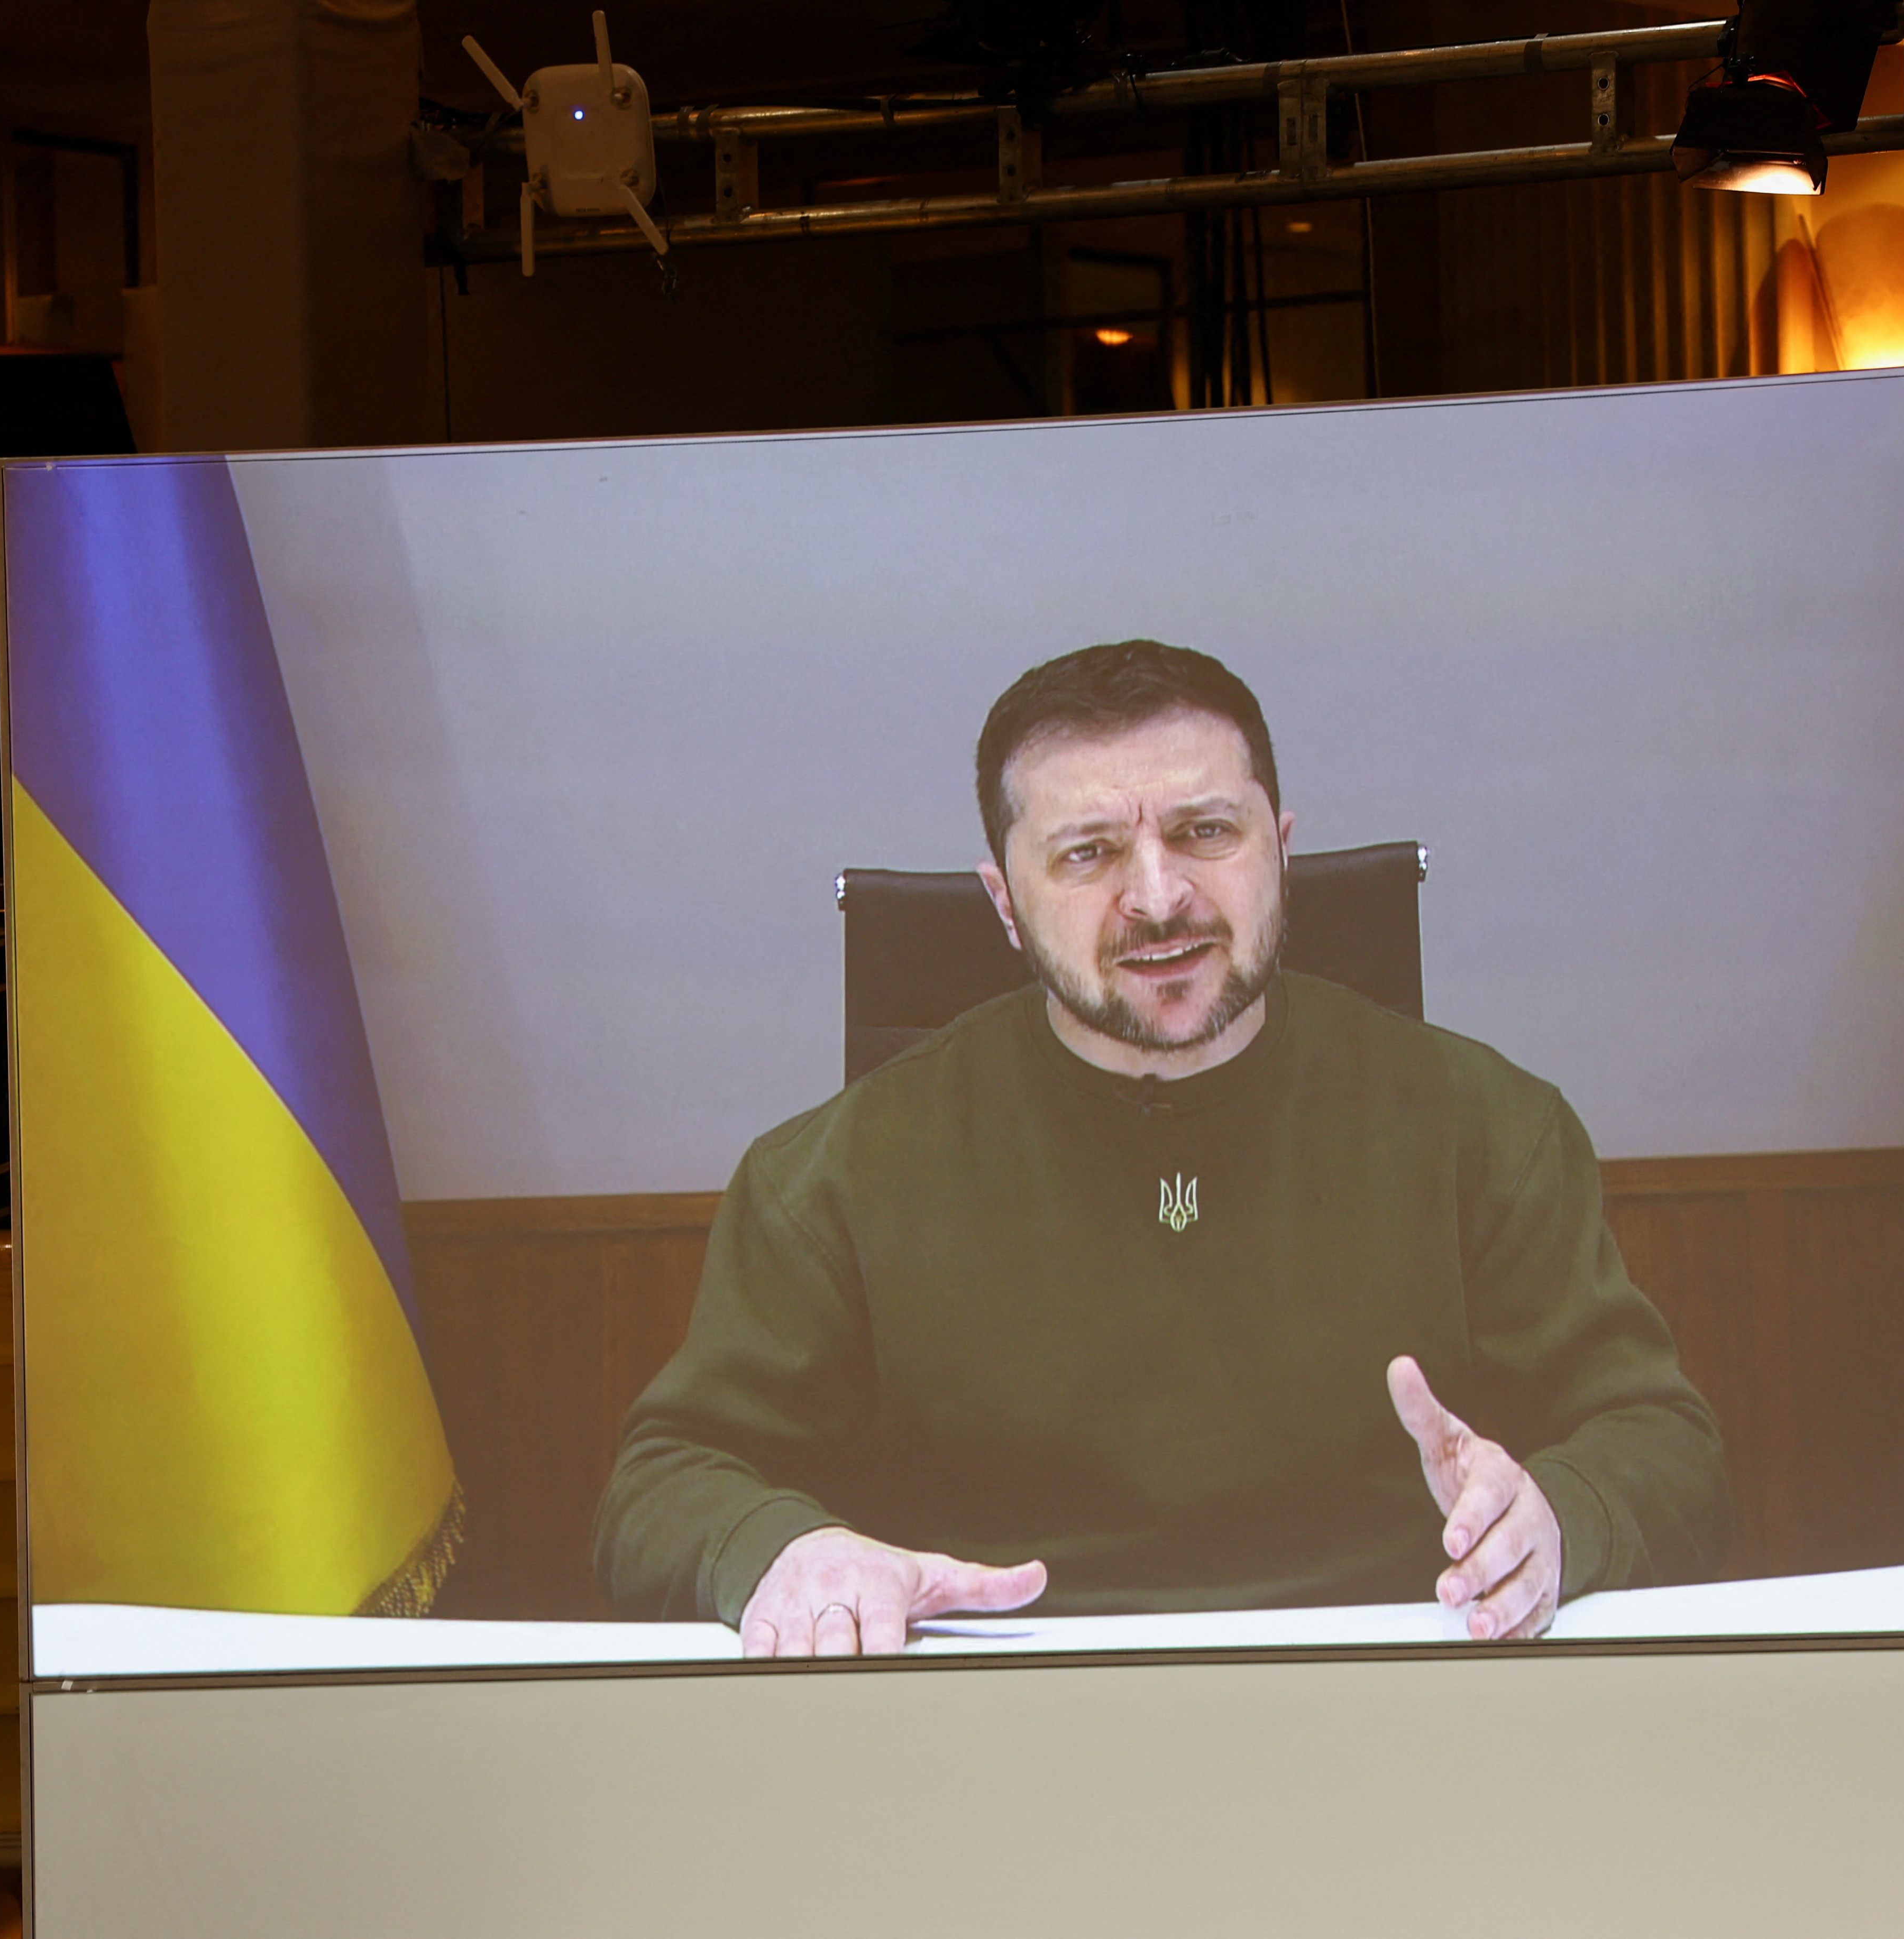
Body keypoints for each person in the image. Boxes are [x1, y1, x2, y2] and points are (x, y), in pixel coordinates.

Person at [593, 640, 1730, 1655]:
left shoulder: (1486, 1127)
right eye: (1086, 853)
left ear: (1278, 850)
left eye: (1204, 832)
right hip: (984, 1729)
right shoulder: (830, 1175)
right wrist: (785, 1551)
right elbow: (663, 1486)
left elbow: (1662, 1442)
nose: (1157, 896)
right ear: (1002, 900)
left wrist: (1557, 1516)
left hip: (1391, 1694)